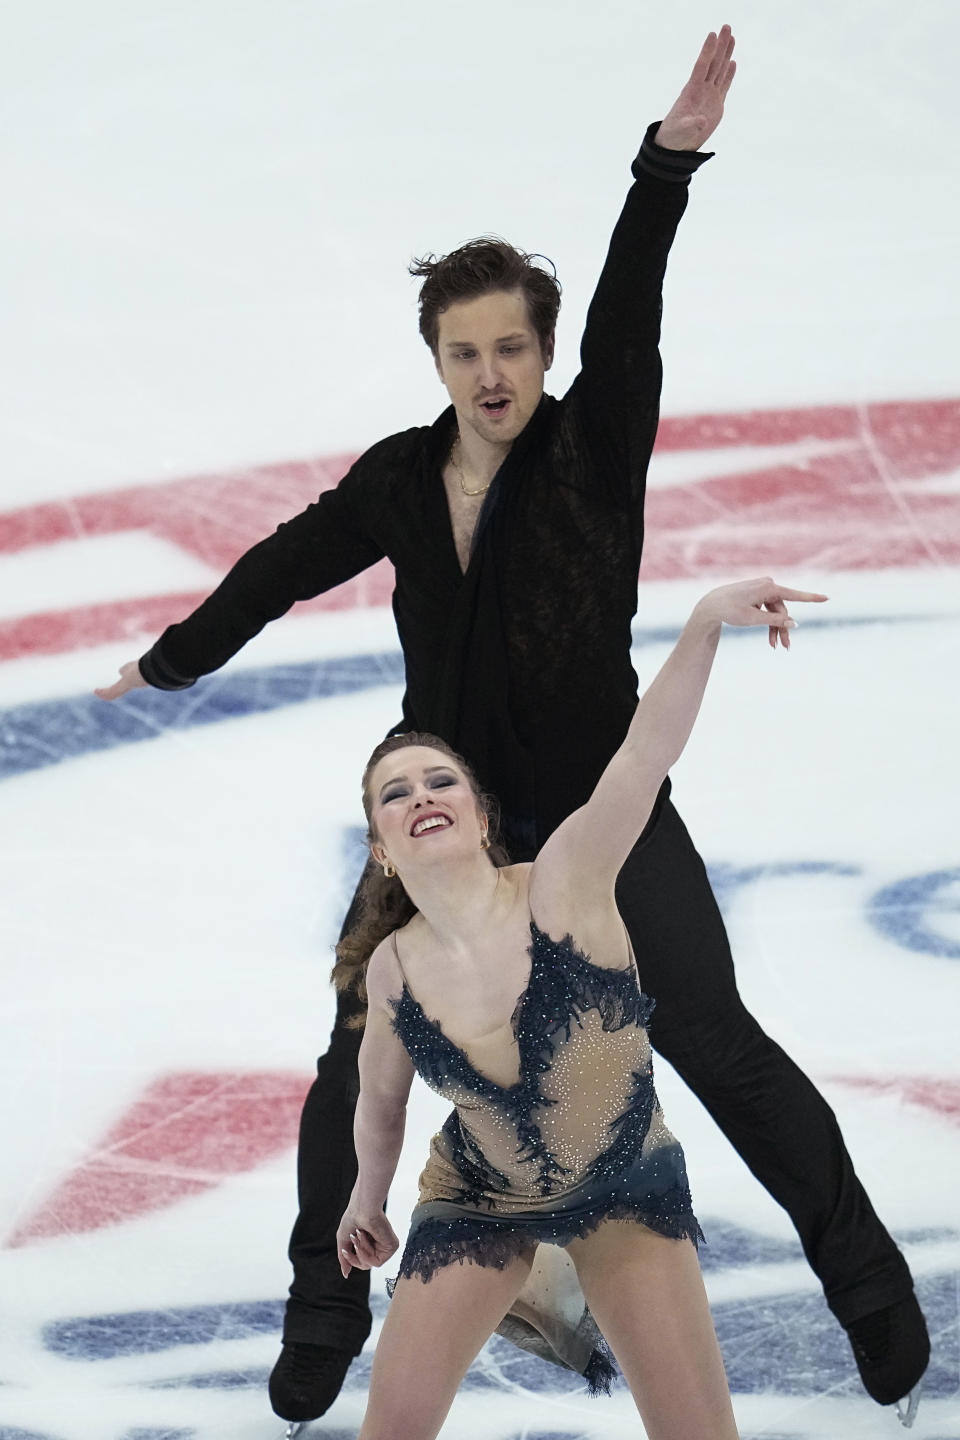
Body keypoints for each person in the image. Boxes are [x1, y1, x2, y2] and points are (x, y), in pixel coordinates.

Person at [95, 25, 929, 1427]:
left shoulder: (598, 445)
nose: (491, 372)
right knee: (352, 1047)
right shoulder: (398, 478)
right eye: (464, 350)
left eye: (512, 348)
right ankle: (324, 1299)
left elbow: (638, 312)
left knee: (712, 1038)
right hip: (449, 814)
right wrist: (172, 662)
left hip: (600, 808)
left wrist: (664, 165)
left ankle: (871, 1290)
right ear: (433, 355)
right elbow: (282, 564)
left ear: (545, 353)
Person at [333, 578, 820, 1440]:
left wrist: (706, 620)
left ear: (481, 816)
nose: (421, 797)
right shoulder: (393, 972)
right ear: (380, 847)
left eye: (440, 780)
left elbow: (642, 757)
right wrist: (365, 1204)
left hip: (624, 1181)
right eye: (396, 794)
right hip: (477, 1195)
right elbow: (381, 1101)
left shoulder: (564, 882)